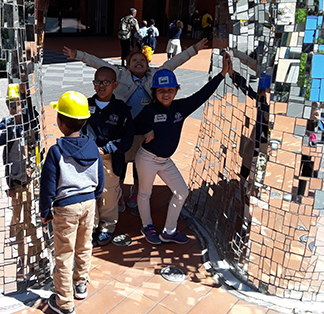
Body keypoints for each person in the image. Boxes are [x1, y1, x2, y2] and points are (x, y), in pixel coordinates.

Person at [63, 38, 208, 213]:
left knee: (141, 164)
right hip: (122, 127)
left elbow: (174, 62)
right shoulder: (120, 73)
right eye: (134, 60)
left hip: (147, 128)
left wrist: (194, 49)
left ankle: (136, 192)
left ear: (148, 65)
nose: (139, 62)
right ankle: (118, 193)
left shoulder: (155, 74)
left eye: (143, 60)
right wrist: (78, 55)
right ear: (128, 65)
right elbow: (98, 63)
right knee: (121, 162)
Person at [134, 53, 231, 245]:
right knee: (145, 193)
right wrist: (147, 129)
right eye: (161, 90)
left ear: (177, 91)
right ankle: (147, 226)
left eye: (170, 89)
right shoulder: (149, 110)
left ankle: (169, 231)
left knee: (181, 192)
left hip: (165, 161)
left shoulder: (181, 107)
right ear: (154, 92)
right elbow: (133, 126)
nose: (166, 94)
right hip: (147, 159)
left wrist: (222, 75)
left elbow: (202, 95)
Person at [40, 91, 105, 314]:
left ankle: (64, 304)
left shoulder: (56, 151)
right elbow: (100, 178)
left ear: (59, 122)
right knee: (84, 246)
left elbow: (48, 185)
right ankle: (80, 284)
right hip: (89, 203)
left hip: (66, 207)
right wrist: (95, 199)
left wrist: (45, 210)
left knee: (64, 254)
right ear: (84, 120)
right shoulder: (93, 147)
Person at [81, 67, 134, 246]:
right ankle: (92, 226)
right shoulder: (85, 105)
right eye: (97, 82)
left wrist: (107, 148)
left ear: (115, 85)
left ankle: (107, 227)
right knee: (89, 194)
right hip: (87, 159)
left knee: (108, 195)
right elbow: (77, 129)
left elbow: (127, 138)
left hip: (109, 160)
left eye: (106, 82)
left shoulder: (121, 110)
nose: (101, 86)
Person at [0, 83, 41, 280]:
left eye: (18, 104)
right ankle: (22, 257)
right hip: (16, 183)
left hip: (29, 181)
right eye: (11, 104)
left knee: (28, 220)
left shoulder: (30, 125)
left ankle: (34, 255)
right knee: (17, 221)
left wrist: (26, 96)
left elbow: (36, 144)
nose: (14, 108)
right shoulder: (8, 127)